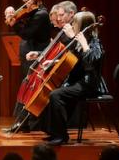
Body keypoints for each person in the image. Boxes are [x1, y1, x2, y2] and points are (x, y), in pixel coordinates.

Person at [36, 10, 104, 145]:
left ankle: (61, 136)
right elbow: (73, 60)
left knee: (56, 95)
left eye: (75, 23)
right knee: (51, 92)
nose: (72, 26)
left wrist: (83, 44)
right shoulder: (79, 41)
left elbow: (91, 64)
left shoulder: (94, 43)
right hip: (78, 82)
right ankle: (53, 132)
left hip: (90, 84)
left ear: (82, 25)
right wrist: (54, 62)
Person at [4, 0, 54, 132]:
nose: (26, 0)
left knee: (32, 90)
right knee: (26, 89)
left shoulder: (41, 14)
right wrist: (12, 14)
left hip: (37, 57)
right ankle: (22, 123)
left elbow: (27, 33)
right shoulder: (31, 13)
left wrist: (15, 24)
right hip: (28, 57)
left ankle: (29, 124)